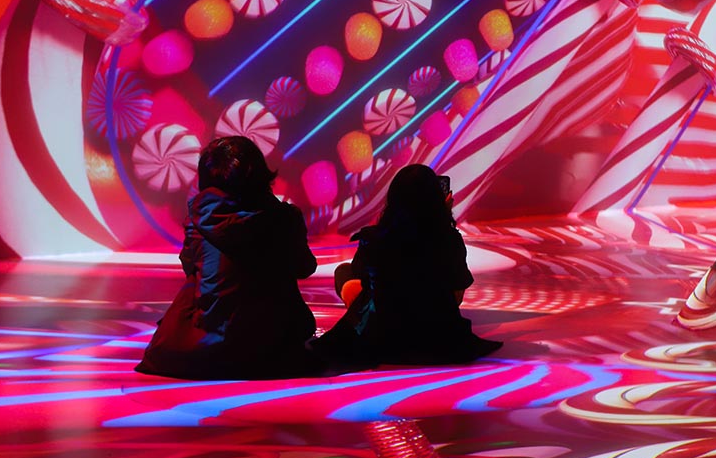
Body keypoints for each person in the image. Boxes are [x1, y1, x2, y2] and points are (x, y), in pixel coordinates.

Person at [136, 136, 319, 380]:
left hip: (196, 351)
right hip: (267, 347)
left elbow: (190, 266)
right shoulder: (283, 217)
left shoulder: (198, 218)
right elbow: (304, 266)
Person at [311, 164, 501, 368]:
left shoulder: (373, 238)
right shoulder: (449, 239)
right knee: (350, 275)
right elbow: (457, 296)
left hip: (382, 334)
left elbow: (362, 278)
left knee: (346, 273)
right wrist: (444, 220)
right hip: (436, 336)